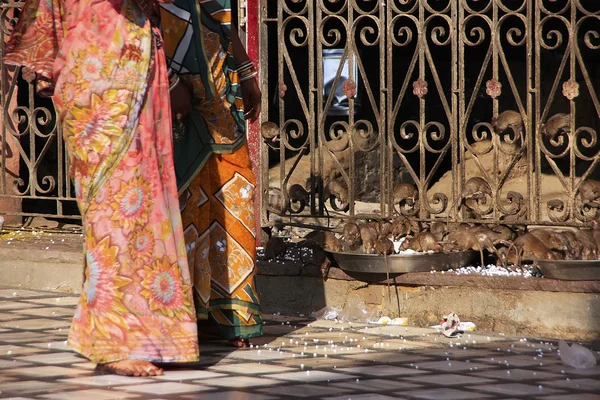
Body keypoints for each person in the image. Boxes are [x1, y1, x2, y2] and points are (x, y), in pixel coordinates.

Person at [4, 0, 262, 377]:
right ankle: (113, 339)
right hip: (107, 71)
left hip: (124, 62)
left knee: (141, 210)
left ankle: (137, 334)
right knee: (118, 210)